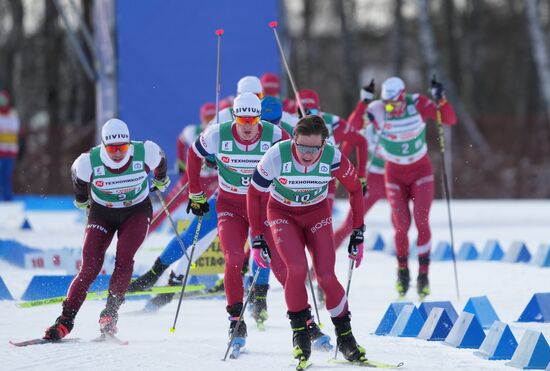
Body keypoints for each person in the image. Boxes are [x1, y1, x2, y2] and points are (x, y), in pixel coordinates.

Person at [186, 93, 329, 350]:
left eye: (253, 119)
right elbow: (193, 154)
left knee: (282, 266)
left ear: (260, 118)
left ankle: (306, 321)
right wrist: (195, 193)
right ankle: (236, 321)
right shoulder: (217, 134)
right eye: (242, 119)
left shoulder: (275, 135)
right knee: (233, 259)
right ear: (234, 117)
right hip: (230, 206)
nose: (248, 125)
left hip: (265, 207)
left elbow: (295, 159)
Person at [247, 115, 367, 366]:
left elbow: (355, 189)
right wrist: (257, 237)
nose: (308, 154)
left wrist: (358, 232)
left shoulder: (332, 156)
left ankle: (345, 337)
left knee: (325, 275)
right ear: (294, 139)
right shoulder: (276, 155)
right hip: (282, 213)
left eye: (314, 148)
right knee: (297, 269)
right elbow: (254, 193)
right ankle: (300, 335)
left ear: (324, 144)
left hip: (316, 213)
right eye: (301, 147)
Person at [43, 118, 170, 340]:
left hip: (136, 211)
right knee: (90, 266)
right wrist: (83, 201)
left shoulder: (145, 151)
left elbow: (161, 160)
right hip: (102, 213)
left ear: (129, 143)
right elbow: (78, 184)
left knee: (124, 258)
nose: (118, 153)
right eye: (112, 148)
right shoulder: (87, 162)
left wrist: (161, 179)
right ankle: (65, 321)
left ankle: (110, 314)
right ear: (103, 146)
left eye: (122, 147)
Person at [368, 76, 457, 298]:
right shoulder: (377, 109)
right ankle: (403, 271)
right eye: (388, 104)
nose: (392, 108)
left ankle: (423, 275)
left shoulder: (417, 103)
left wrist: (441, 100)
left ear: (403, 96)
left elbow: (449, 119)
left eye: (396, 103)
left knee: (421, 220)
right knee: (401, 225)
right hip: (394, 173)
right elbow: (354, 125)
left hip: (420, 171)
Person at [148, 102, 218, 233]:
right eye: (207, 119)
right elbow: (180, 140)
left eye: (213, 118)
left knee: (210, 212)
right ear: (202, 119)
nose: (210, 122)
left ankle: (211, 244)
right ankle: (143, 235)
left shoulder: (220, 133)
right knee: (168, 207)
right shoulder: (192, 131)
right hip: (191, 178)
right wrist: (180, 162)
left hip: (213, 180)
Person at [335, 80, 386, 249]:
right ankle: (317, 268)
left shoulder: (399, 121)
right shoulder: (368, 120)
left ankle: (405, 267)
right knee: (350, 224)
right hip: (377, 177)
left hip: (399, 176)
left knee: (403, 222)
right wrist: (363, 102)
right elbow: (353, 124)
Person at [0, 90, 20, 201]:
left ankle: (7, 198)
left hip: (9, 152)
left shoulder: (13, 115)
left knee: (7, 176)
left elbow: (15, 131)